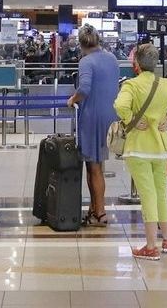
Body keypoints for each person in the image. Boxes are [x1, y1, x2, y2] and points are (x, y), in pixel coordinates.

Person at [115, 43, 167, 261]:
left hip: (139, 149)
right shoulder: (166, 85)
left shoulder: (131, 86)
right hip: (162, 147)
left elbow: (120, 106)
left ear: (136, 64)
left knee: (148, 196)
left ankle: (151, 245)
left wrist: (132, 119)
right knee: (161, 192)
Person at [65, 26, 120, 227]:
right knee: (97, 164)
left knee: (93, 167)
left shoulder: (86, 61)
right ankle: (94, 208)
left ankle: (101, 212)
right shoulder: (112, 58)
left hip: (92, 117)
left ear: (80, 44)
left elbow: (85, 88)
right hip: (110, 115)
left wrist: (73, 99)